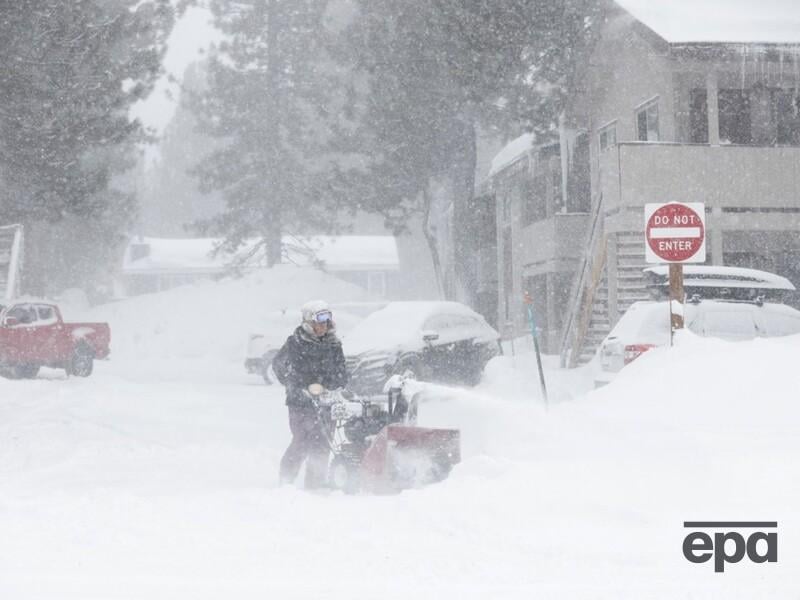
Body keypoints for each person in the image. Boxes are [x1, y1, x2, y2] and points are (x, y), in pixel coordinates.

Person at [272, 300, 348, 488]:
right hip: (300, 404)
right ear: (308, 323)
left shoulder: (334, 345)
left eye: (326, 322)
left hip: (326, 402)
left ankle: (315, 485)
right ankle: (286, 482)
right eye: (319, 322)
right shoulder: (295, 343)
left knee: (323, 444)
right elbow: (280, 367)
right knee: (302, 442)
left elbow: (341, 371)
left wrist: (336, 384)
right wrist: (297, 384)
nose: (323, 326)